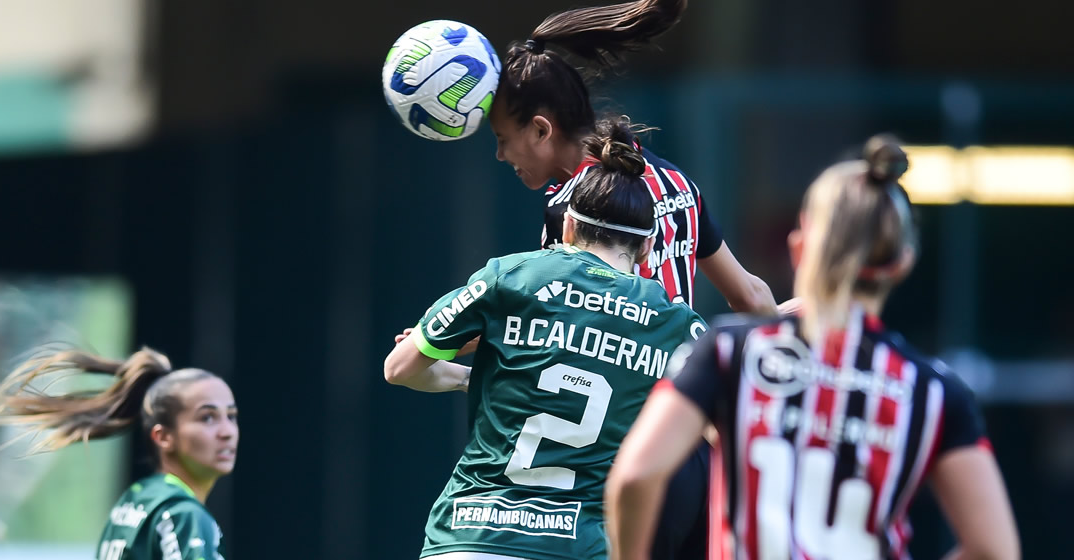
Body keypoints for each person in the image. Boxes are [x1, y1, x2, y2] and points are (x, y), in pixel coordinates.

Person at [604, 135, 1020, 560]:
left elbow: (637, 475)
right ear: (903, 264)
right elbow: (994, 550)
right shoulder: (932, 391)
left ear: (800, 249)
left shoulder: (729, 353)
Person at [385, 122, 706, 560]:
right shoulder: (675, 323)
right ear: (648, 248)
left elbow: (399, 368)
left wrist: (471, 378)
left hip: (468, 537)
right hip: (579, 546)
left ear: (569, 225)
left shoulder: (510, 276)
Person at [487, 0, 777, 315]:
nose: (501, 154)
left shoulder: (572, 210)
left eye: (503, 139)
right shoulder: (676, 182)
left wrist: (436, 340)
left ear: (542, 131)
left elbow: (551, 322)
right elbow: (751, 296)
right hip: (684, 363)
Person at [0, 347, 237, 560]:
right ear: (163, 437)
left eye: (231, 416)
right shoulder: (184, 516)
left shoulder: (137, 498)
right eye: (207, 417)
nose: (227, 431)